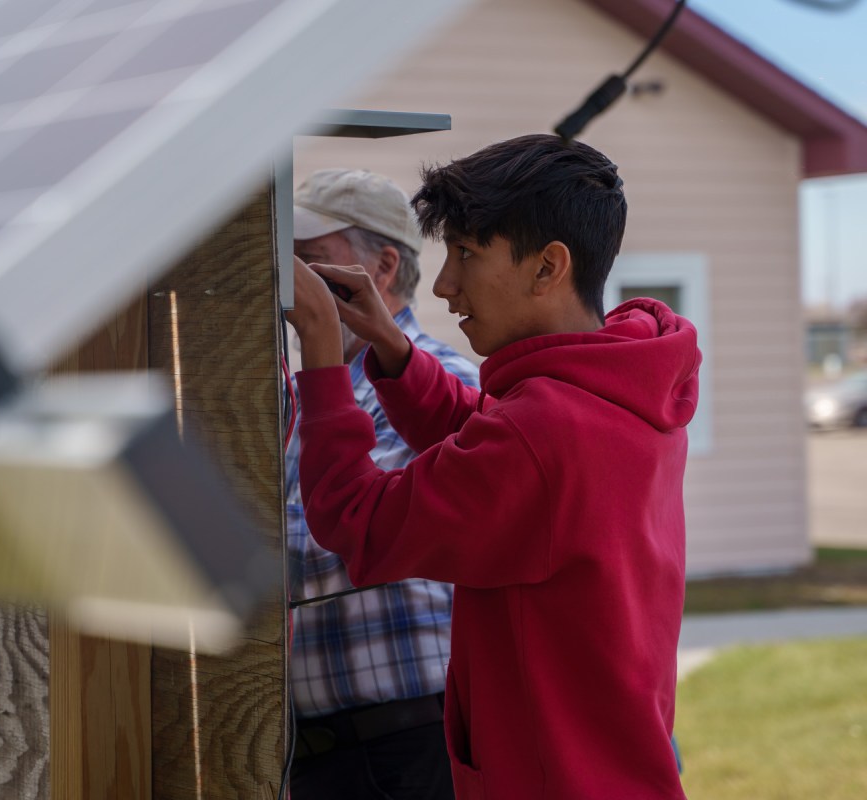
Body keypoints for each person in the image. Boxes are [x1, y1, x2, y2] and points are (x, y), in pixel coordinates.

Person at [285, 134, 698, 800]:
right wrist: (392, 348)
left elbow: (356, 521)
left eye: (468, 254)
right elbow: (487, 435)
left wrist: (326, 360)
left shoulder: (545, 430)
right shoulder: (617, 391)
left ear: (547, 268)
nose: (446, 285)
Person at [285, 168, 479, 800]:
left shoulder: (446, 382)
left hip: (407, 743)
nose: (291, 287)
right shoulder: (302, 397)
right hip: (324, 748)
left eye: (311, 264)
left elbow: (345, 538)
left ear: (385, 266)